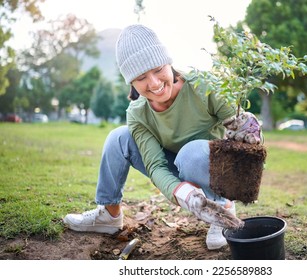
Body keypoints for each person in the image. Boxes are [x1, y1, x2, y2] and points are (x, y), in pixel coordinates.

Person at [63, 24, 259, 250]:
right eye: (141, 77)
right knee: (119, 138)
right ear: (132, 83)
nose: (154, 83)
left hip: (212, 168)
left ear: (169, 63)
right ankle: (109, 215)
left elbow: (240, 130)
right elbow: (155, 166)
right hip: (176, 170)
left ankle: (222, 207)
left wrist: (248, 130)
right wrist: (184, 194)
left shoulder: (203, 85)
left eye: (158, 70)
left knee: (190, 153)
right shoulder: (137, 114)